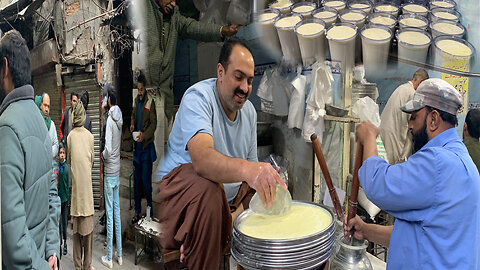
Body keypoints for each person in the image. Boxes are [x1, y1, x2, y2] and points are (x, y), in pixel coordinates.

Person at [156, 39, 286, 269]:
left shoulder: (248, 113)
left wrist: (266, 180)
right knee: (210, 188)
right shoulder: (198, 98)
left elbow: (250, 175)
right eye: (238, 77)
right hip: (184, 199)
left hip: (222, 208)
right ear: (220, 71)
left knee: (266, 195)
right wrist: (248, 170)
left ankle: (220, 232)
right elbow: (203, 160)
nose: (245, 88)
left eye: (250, 81)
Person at [346, 78, 480, 269]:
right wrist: (366, 230)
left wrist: (369, 138)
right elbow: (418, 233)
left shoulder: (437, 162)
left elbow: (377, 184)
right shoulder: (461, 159)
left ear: (433, 119)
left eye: (414, 117)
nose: (409, 126)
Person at [0, 29, 61, 270]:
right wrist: (52, 250)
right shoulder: (40, 120)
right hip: (42, 259)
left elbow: (14, 239)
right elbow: (52, 196)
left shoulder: (7, 127)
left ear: (5, 68)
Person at [142, 0, 241, 121]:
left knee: (163, 137)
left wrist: (222, 31)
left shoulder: (174, 17)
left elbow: (194, 27)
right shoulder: (141, 8)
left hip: (165, 99)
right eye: (171, 0)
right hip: (144, 96)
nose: (173, 4)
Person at [379, 68, 429, 164]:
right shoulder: (412, 94)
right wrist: (406, 157)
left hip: (385, 134)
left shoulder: (401, 88)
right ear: (421, 82)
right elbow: (411, 127)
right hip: (394, 137)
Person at [67, 100, 95, 270]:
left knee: (76, 233)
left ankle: (77, 266)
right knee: (88, 235)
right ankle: (87, 265)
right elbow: (91, 162)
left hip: (76, 194)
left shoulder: (69, 137)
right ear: (83, 117)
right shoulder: (90, 137)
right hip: (87, 194)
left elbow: (70, 161)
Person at [101, 86, 123, 268]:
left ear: (108, 98)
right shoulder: (120, 117)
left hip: (109, 172)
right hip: (118, 170)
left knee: (109, 214)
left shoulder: (109, 120)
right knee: (117, 212)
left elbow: (107, 150)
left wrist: (102, 156)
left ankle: (109, 257)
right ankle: (120, 255)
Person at [130, 73, 157, 224]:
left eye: (141, 89)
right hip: (137, 150)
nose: (139, 92)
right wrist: (132, 124)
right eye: (138, 89)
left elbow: (154, 125)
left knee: (146, 182)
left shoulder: (150, 102)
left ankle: (149, 211)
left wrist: (144, 135)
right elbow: (133, 116)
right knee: (137, 182)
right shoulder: (136, 100)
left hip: (146, 148)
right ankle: (137, 211)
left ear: (145, 87)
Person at [57, 143, 70, 256]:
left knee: (64, 222)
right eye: (60, 153)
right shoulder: (56, 168)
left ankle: (65, 242)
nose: (62, 155)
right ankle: (59, 243)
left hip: (65, 199)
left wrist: (68, 199)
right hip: (57, 200)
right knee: (58, 223)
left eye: (63, 153)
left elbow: (67, 185)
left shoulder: (66, 168)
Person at [39, 92, 59, 160]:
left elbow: (56, 145)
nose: (47, 109)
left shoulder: (52, 124)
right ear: (40, 105)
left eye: (48, 106)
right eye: (45, 105)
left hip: (50, 164)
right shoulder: (36, 122)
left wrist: (47, 154)